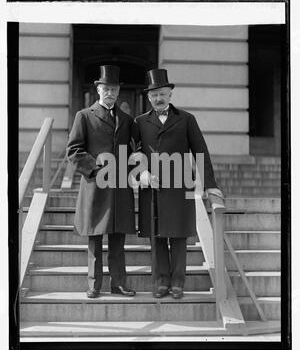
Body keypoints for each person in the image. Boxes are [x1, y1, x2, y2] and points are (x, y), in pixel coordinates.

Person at [132, 68, 223, 299]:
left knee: (179, 236)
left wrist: (210, 184)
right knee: (157, 235)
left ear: (170, 94)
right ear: (148, 97)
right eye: (153, 95)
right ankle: (161, 282)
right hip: (152, 188)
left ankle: (178, 283)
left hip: (180, 186)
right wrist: (141, 174)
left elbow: (200, 151)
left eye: (162, 94)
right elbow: (132, 153)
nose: (158, 99)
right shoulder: (140, 122)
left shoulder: (186, 119)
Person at [67, 65, 136, 298]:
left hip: (120, 188)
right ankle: (94, 284)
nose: (110, 93)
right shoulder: (84, 116)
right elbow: (74, 151)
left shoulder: (127, 120)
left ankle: (119, 284)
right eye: (106, 88)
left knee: (118, 238)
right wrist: (98, 168)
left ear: (118, 92)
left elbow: (134, 151)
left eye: (114, 89)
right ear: (98, 90)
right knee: (95, 238)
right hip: (96, 185)